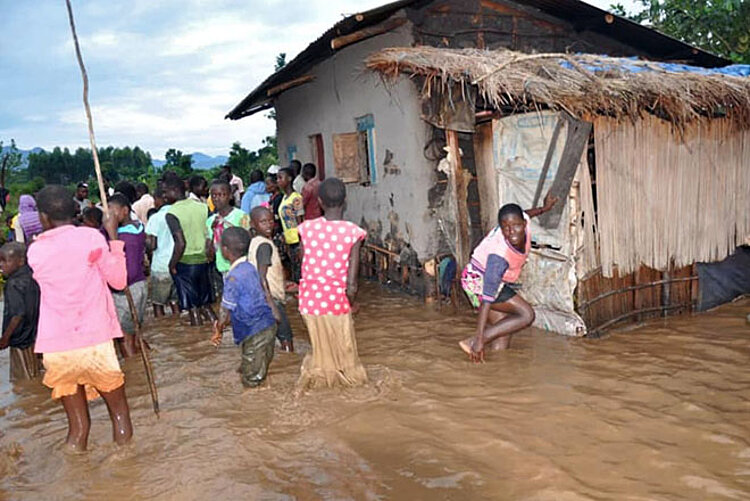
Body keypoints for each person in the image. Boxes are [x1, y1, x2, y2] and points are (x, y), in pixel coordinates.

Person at [28, 185, 133, 451]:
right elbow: (119, 282)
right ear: (75, 210)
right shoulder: (91, 239)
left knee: (77, 428)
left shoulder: (35, 251)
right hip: (95, 342)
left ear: (43, 217)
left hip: (56, 348)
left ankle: (74, 471)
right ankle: (126, 472)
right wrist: (112, 237)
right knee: (119, 415)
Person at [458, 195, 559, 363]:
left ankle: (497, 373)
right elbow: (487, 300)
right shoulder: (498, 257)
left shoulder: (523, 221)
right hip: (478, 281)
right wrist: (479, 338)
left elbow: (525, 213)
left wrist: (544, 209)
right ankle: (475, 341)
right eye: (506, 228)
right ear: (501, 228)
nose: (512, 232)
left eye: (516, 225)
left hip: (486, 276)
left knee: (503, 333)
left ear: (524, 224)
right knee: (526, 314)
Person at [296, 177, 368, 388]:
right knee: (345, 352)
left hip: (309, 301)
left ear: (319, 202)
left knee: (321, 349)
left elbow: (304, 261)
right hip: (336, 300)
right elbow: (352, 283)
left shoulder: (306, 228)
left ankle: (318, 383)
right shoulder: (352, 232)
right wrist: (351, 301)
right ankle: (350, 387)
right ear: (345, 202)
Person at [211, 227, 279, 388]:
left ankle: (257, 409)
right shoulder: (250, 267)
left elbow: (225, 311)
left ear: (225, 250)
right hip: (267, 326)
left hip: (254, 331)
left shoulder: (232, 277)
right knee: (255, 369)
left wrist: (218, 329)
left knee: (251, 380)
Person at [164, 175, 216, 326]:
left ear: (174, 191)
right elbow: (212, 232)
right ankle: (217, 333)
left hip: (185, 263)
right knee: (206, 305)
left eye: (166, 192)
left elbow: (180, 243)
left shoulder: (172, 213)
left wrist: (172, 265)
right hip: (205, 261)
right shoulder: (202, 207)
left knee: (193, 308)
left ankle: (199, 340)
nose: (164, 196)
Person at [249, 206, 294, 352]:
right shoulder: (264, 246)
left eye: (270, 221)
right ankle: (290, 364)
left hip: (259, 298)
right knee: (286, 338)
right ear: (253, 224)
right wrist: (273, 306)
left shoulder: (255, 242)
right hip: (270, 299)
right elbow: (262, 276)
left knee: (265, 340)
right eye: (263, 222)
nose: (268, 225)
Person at [108, 193, 147, 358]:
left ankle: (133, 369)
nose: (109, 217)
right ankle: (142, 357)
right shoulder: (138, 228)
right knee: (135, 331)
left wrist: (112, 236)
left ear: (124, 211)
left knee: (124, 337)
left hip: (128, 288)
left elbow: (127, 271)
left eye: (112, 212)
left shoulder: (124, 237)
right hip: (140, 284)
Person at [0, 242, 40, 380]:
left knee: (23, 381)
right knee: (37, 372)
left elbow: (17, 314)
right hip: (35, 336)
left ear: (21, 261)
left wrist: (5, 338)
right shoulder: (33, 276)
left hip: (20, 340)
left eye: (5, 261)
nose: (1, 265)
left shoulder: (13, 284)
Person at [206, 179, 250, 296]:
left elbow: (248, 241)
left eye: (221, 195)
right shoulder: (211, 221)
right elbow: (209, 255)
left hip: (242, 267)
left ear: (230, 196)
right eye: (213, 195)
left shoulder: (241, 216)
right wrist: (212, 229)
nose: (217, 198)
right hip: (223, 269)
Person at [145, 187, 179, 317]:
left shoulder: (155, 218)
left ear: (161, 199)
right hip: (178, 264)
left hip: (161, 267)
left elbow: (152, 245)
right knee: (175, 302)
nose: (154, 203)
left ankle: (162, 325)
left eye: (155, 199)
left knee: (158, 304)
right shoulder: (178, 214)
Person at [277, 167, 304, 283]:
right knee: (295, 272)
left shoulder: (296, 198)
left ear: (289, 179)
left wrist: (302, 245)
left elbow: (301, 222)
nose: (278, 181)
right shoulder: (284, 198)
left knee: (300, 273)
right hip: (290, 241)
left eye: (280, 178)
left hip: (297, 241)